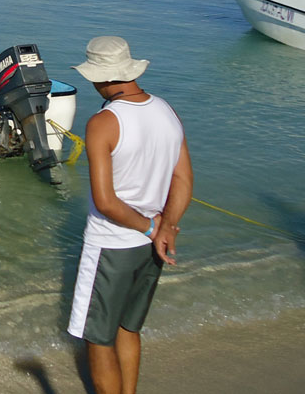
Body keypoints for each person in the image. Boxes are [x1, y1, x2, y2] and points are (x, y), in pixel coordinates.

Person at [68, 36, 193, 394]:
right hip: (149, 246)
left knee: (98, 337)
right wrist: (166, 226)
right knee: (128, 327)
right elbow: (183, 179)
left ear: (102, 78)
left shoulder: (103, 122)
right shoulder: (166, 111)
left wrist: (152, 227)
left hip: (112, 243)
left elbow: (106, 202)